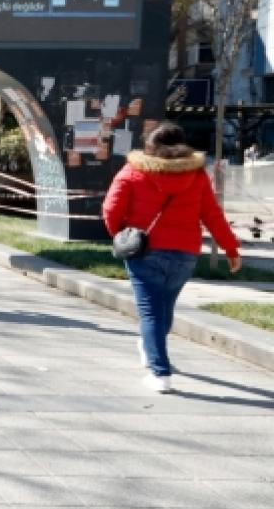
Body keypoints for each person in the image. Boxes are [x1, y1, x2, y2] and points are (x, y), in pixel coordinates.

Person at [102, 123, 241, 394]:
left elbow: (111, 209)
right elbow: (212, 215)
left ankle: (160, 372)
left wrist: (121, 235)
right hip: (185, 253)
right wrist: (231, 250)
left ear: (150, 145)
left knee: (151, 312)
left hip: (145, 252)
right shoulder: (197, 175)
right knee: (164, 308)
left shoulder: (133, 170)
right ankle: (150, 347)